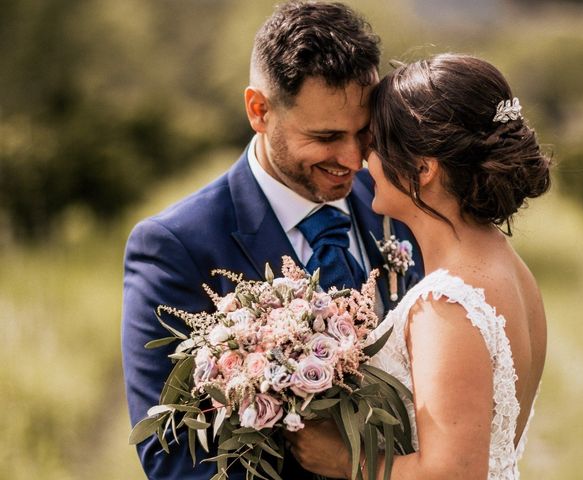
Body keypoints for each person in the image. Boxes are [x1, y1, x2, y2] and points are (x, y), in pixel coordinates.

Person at [121, 2, 424, 479]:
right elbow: (173, 457)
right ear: (258, 110)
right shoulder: (175, 245)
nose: (352, 159)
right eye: (326, 136)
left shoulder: (396, 203)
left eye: (362, 133)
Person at [286, 53, 550, 479]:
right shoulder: (513, 269)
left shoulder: (447, 302)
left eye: (373, 147)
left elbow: (453, 473)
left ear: (423, 168)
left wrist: (342, 460)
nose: (360, 162)